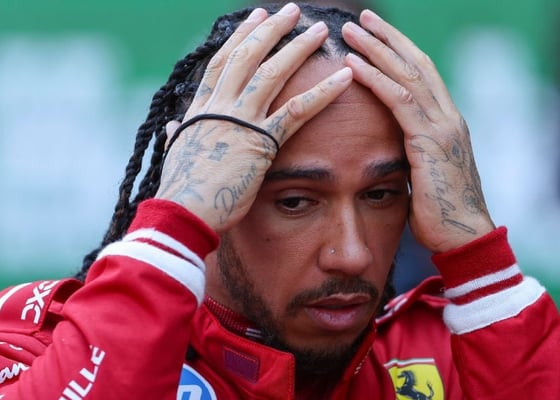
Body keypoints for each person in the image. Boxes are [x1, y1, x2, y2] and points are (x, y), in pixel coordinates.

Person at [0, 2, 558, 399]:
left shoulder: (454, 353)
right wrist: (174, 222)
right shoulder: (35, 345)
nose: (352, 254)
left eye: (380, 194)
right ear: (204, 183)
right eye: (295, 202)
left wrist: (478, 257)